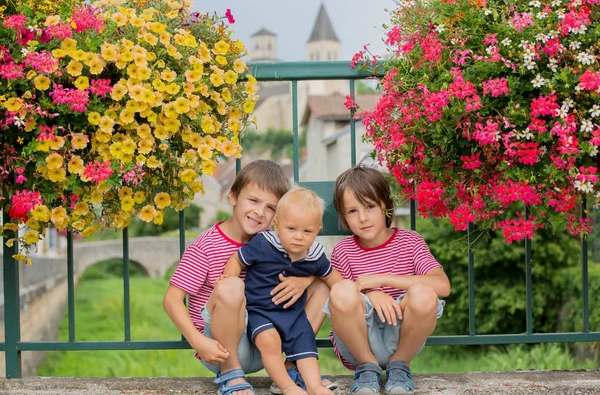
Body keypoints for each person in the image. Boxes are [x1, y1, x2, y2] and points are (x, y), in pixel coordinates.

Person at [163, 160, 335, 395]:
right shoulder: (207, 245)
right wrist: (197, 340)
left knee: (322, 287)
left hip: (268, 343)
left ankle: (291, 367)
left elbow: (320, 268)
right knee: (232, 286)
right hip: (221, 349)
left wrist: (304, 280)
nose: (259, 212)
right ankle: (231, 373)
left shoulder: (276, 240)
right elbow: (172, 299)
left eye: (270, 207)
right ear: (233, 197)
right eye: (253, 201)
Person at [324, 166, 450, 395]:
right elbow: (340, 296)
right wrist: (372, 293)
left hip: (402, 339)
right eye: (352, 211)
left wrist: (381, 280)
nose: (363, 218)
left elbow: (442, 286)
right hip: (359, 342)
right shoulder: (343, 250)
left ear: (385, 205)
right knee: (342, 290)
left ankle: (400, 366)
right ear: (344, 216)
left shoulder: (410, 241)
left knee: (424, 293)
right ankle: (367, 367)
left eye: (370, 206)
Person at [222, 187, 343, 395]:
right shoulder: (264, 243)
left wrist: (344, 294)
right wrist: (230, 279)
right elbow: (237, 260)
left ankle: (314, 386)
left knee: (306, 343)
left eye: (308, 231)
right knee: (269, 340)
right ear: (277, 226)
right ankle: (287, 386)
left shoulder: (314, 255)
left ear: (318, 230)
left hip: (293, 314)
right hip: (260, 311)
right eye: (292, 229)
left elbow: (333, 278)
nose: (299, 237)